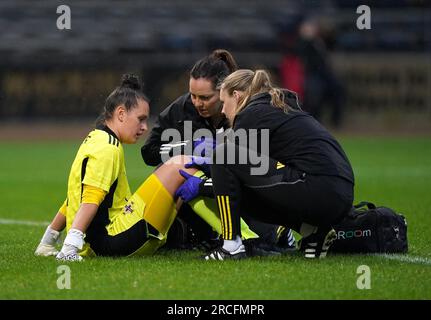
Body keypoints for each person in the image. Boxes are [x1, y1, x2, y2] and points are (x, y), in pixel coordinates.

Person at [141, 49, 296, 253]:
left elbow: (260, 165)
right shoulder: (180, 109)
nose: (197, 103)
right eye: (193, 95)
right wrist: (190, 147)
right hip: (203, 185)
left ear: (225, 93)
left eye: (205, 98)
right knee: (180, 172)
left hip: (241, 188)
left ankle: (271, 231)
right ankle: (208, 235)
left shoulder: (246, 112)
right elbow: (149, 152)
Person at [34, 74, 203, 261]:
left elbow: (73, 198)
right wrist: (69, 248)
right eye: (141, 119)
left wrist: (48, 240)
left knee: (176, 167)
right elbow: (90, 199)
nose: (145, 127)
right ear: (121, 114)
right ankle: (232, 241)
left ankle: (206, 237)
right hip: (112, 238)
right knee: (183, 164)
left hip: (110, 233)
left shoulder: (94, 138)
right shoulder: (107, 148)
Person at [202, 69, 354, 260]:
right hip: (340, 196)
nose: (223, 111)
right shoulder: (279, 108)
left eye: (224, 103)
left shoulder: (251, 114)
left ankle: (231, 245)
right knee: (241, 179)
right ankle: (313, 231)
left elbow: (229, 172)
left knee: (223, 154)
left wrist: (201, 184)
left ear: (237, 96)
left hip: (318, 189)